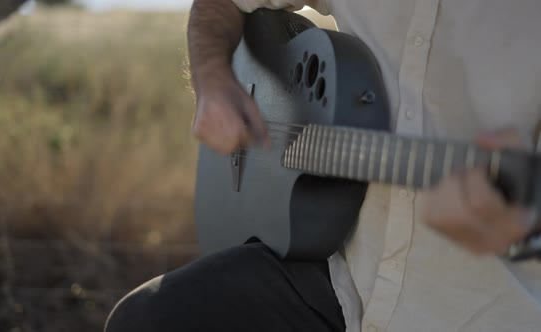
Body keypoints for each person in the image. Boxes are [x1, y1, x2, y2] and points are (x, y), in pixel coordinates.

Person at [105, 0, 541, 331]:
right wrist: (213, 82)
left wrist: (528, 230)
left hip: (487, 308)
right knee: (145, 319)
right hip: (337, 276)